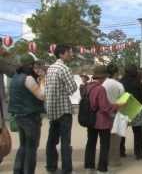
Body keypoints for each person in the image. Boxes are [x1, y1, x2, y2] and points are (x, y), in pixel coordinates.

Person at [84, 65, 125, 174]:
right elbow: (105, 107)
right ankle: (102, 169)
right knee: (104, 145)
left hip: (90, 120)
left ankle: (89, 167)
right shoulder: (100, 89)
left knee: (91, 143)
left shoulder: (87, 87)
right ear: (103, 77)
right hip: (102, 122)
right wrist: (117, 105)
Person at [8, 54, 45, 174]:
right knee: (31, 148)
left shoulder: (15, 77)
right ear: (30, 65)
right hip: (30, 118)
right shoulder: (28, 78)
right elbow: (41, 96)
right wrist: (43, 81)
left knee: (23, 145)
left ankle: (17, 170)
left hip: (19, 116)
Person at [45, 44, 77, 174]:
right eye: (69, 52)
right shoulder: (64, 68)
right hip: (63, 109)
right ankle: (66, 169)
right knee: (65, 142)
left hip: (51, 109)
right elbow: (73, 88)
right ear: (62, 54)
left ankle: (51, 166)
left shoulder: (51, 68)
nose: (71, 54)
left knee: (51, 140)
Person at [120, 64, 142, 160]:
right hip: (136, 108)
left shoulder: (121, 82)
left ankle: (121, 151)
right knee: (137, 132)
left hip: (124, 108)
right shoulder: (138, 82)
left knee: (122, 131)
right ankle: (138, 153)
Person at [102, 63, 125, 166]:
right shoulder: (119, 85)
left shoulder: (103, 84)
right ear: (116, 72)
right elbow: (123, 101)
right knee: (115, 139)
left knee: (105, 139)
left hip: (104, 114)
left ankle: (104, 159)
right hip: (116, 113)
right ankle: (114, 161)